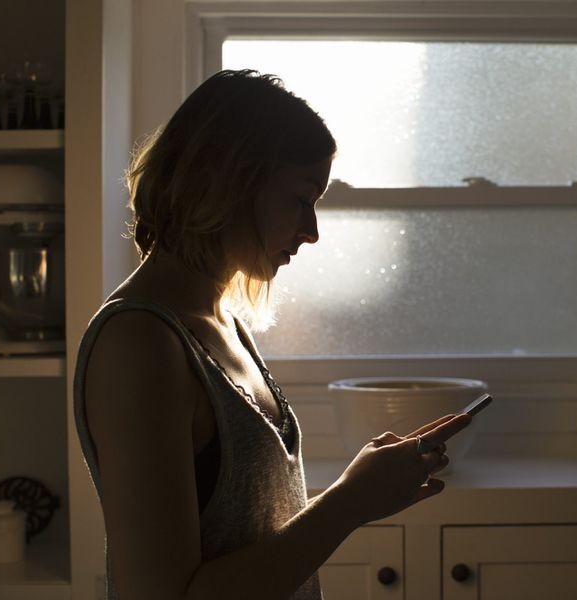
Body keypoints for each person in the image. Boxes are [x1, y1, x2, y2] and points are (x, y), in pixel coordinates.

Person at [73, 69, 472, 600]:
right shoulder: (139, 344)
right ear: (227, 183)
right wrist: (350, 502)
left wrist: (360, 486)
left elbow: (245, 534)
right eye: (301, 198)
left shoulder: (222, 321)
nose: (312, 231)